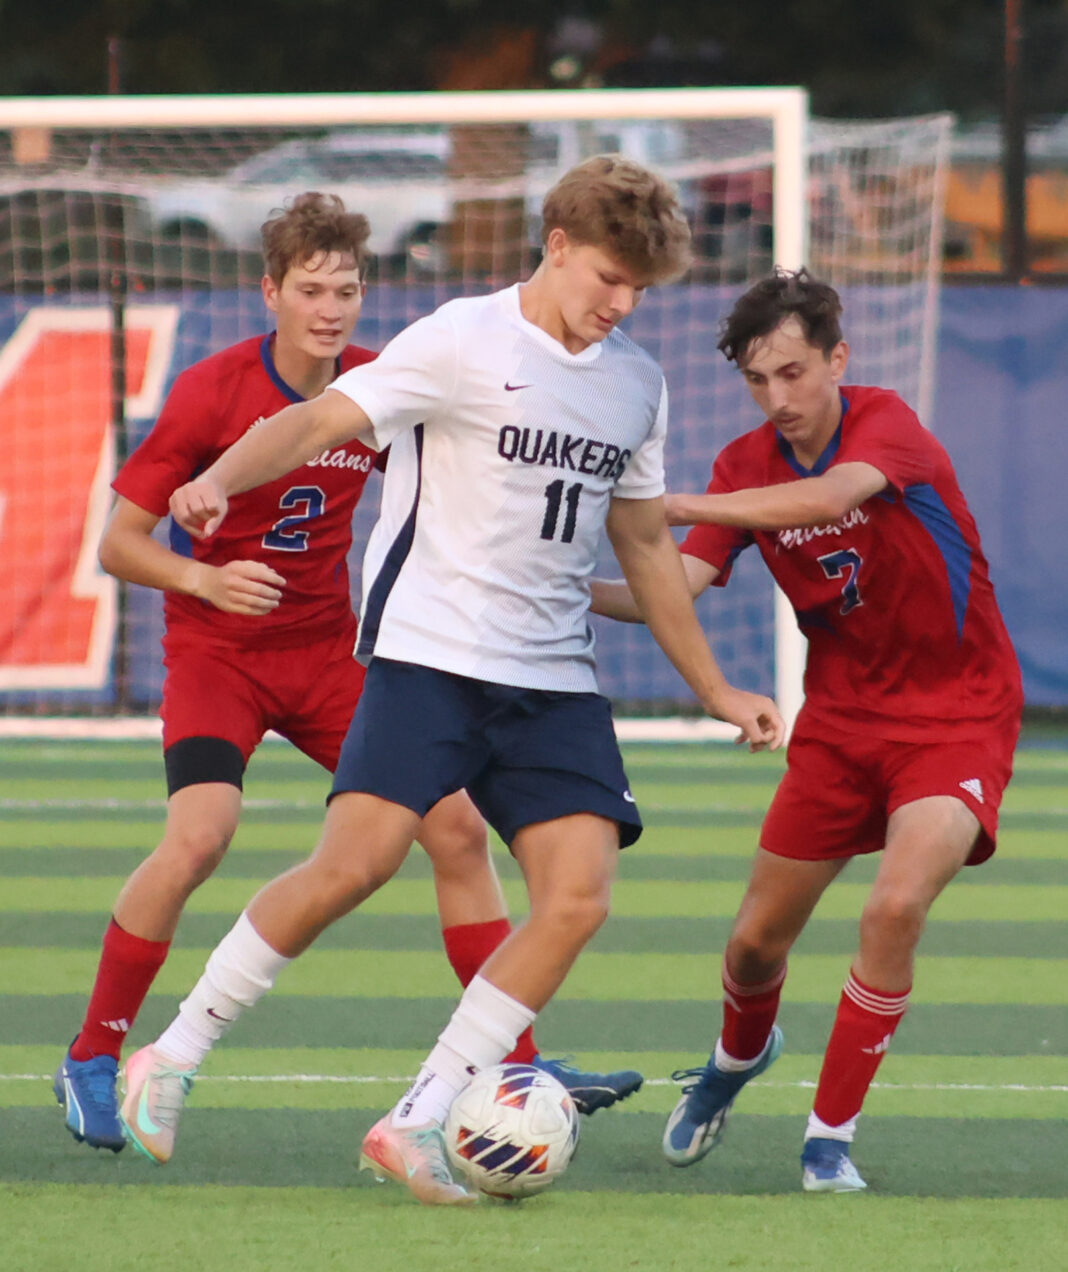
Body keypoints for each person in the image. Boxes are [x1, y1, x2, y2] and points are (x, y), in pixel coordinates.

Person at [116, 156, 785, 1203]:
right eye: (609, 276)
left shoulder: (636, 385)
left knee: (578, 898)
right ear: (556, 246)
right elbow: (316, 421)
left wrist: (712, 687)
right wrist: (216, 477)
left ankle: (418, 1119)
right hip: (430, 657)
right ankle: (172, 1056)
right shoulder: (462, 339)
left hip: (554, 679)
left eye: (641, 290)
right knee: (354, 867)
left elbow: (649, 548)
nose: (621, 303)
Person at [54, 191, 642, 1156]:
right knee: (202, 836)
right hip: (220, 658)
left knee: (454, 831)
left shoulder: (383, 380)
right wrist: (201, 574)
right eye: (312, 290)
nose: (331, 309)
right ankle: (95, 1049)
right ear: (271, 293)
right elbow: (118, 544)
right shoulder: (212, 392)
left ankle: (516, 1062)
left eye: (348, 290)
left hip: (331, 650)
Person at [590, 267, 1024, 1192]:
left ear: (837, 359)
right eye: (757, 382)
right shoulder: (744, 467)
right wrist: (556, 585)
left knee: (896, 905)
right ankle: (735, 1063)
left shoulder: (885, 424)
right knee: (752, 947)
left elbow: (830, 499)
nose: (777, 398)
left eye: (793, 373)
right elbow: (674, 590)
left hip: (957, 716)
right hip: (838, 727)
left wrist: (676, 508)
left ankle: (829, 1137)